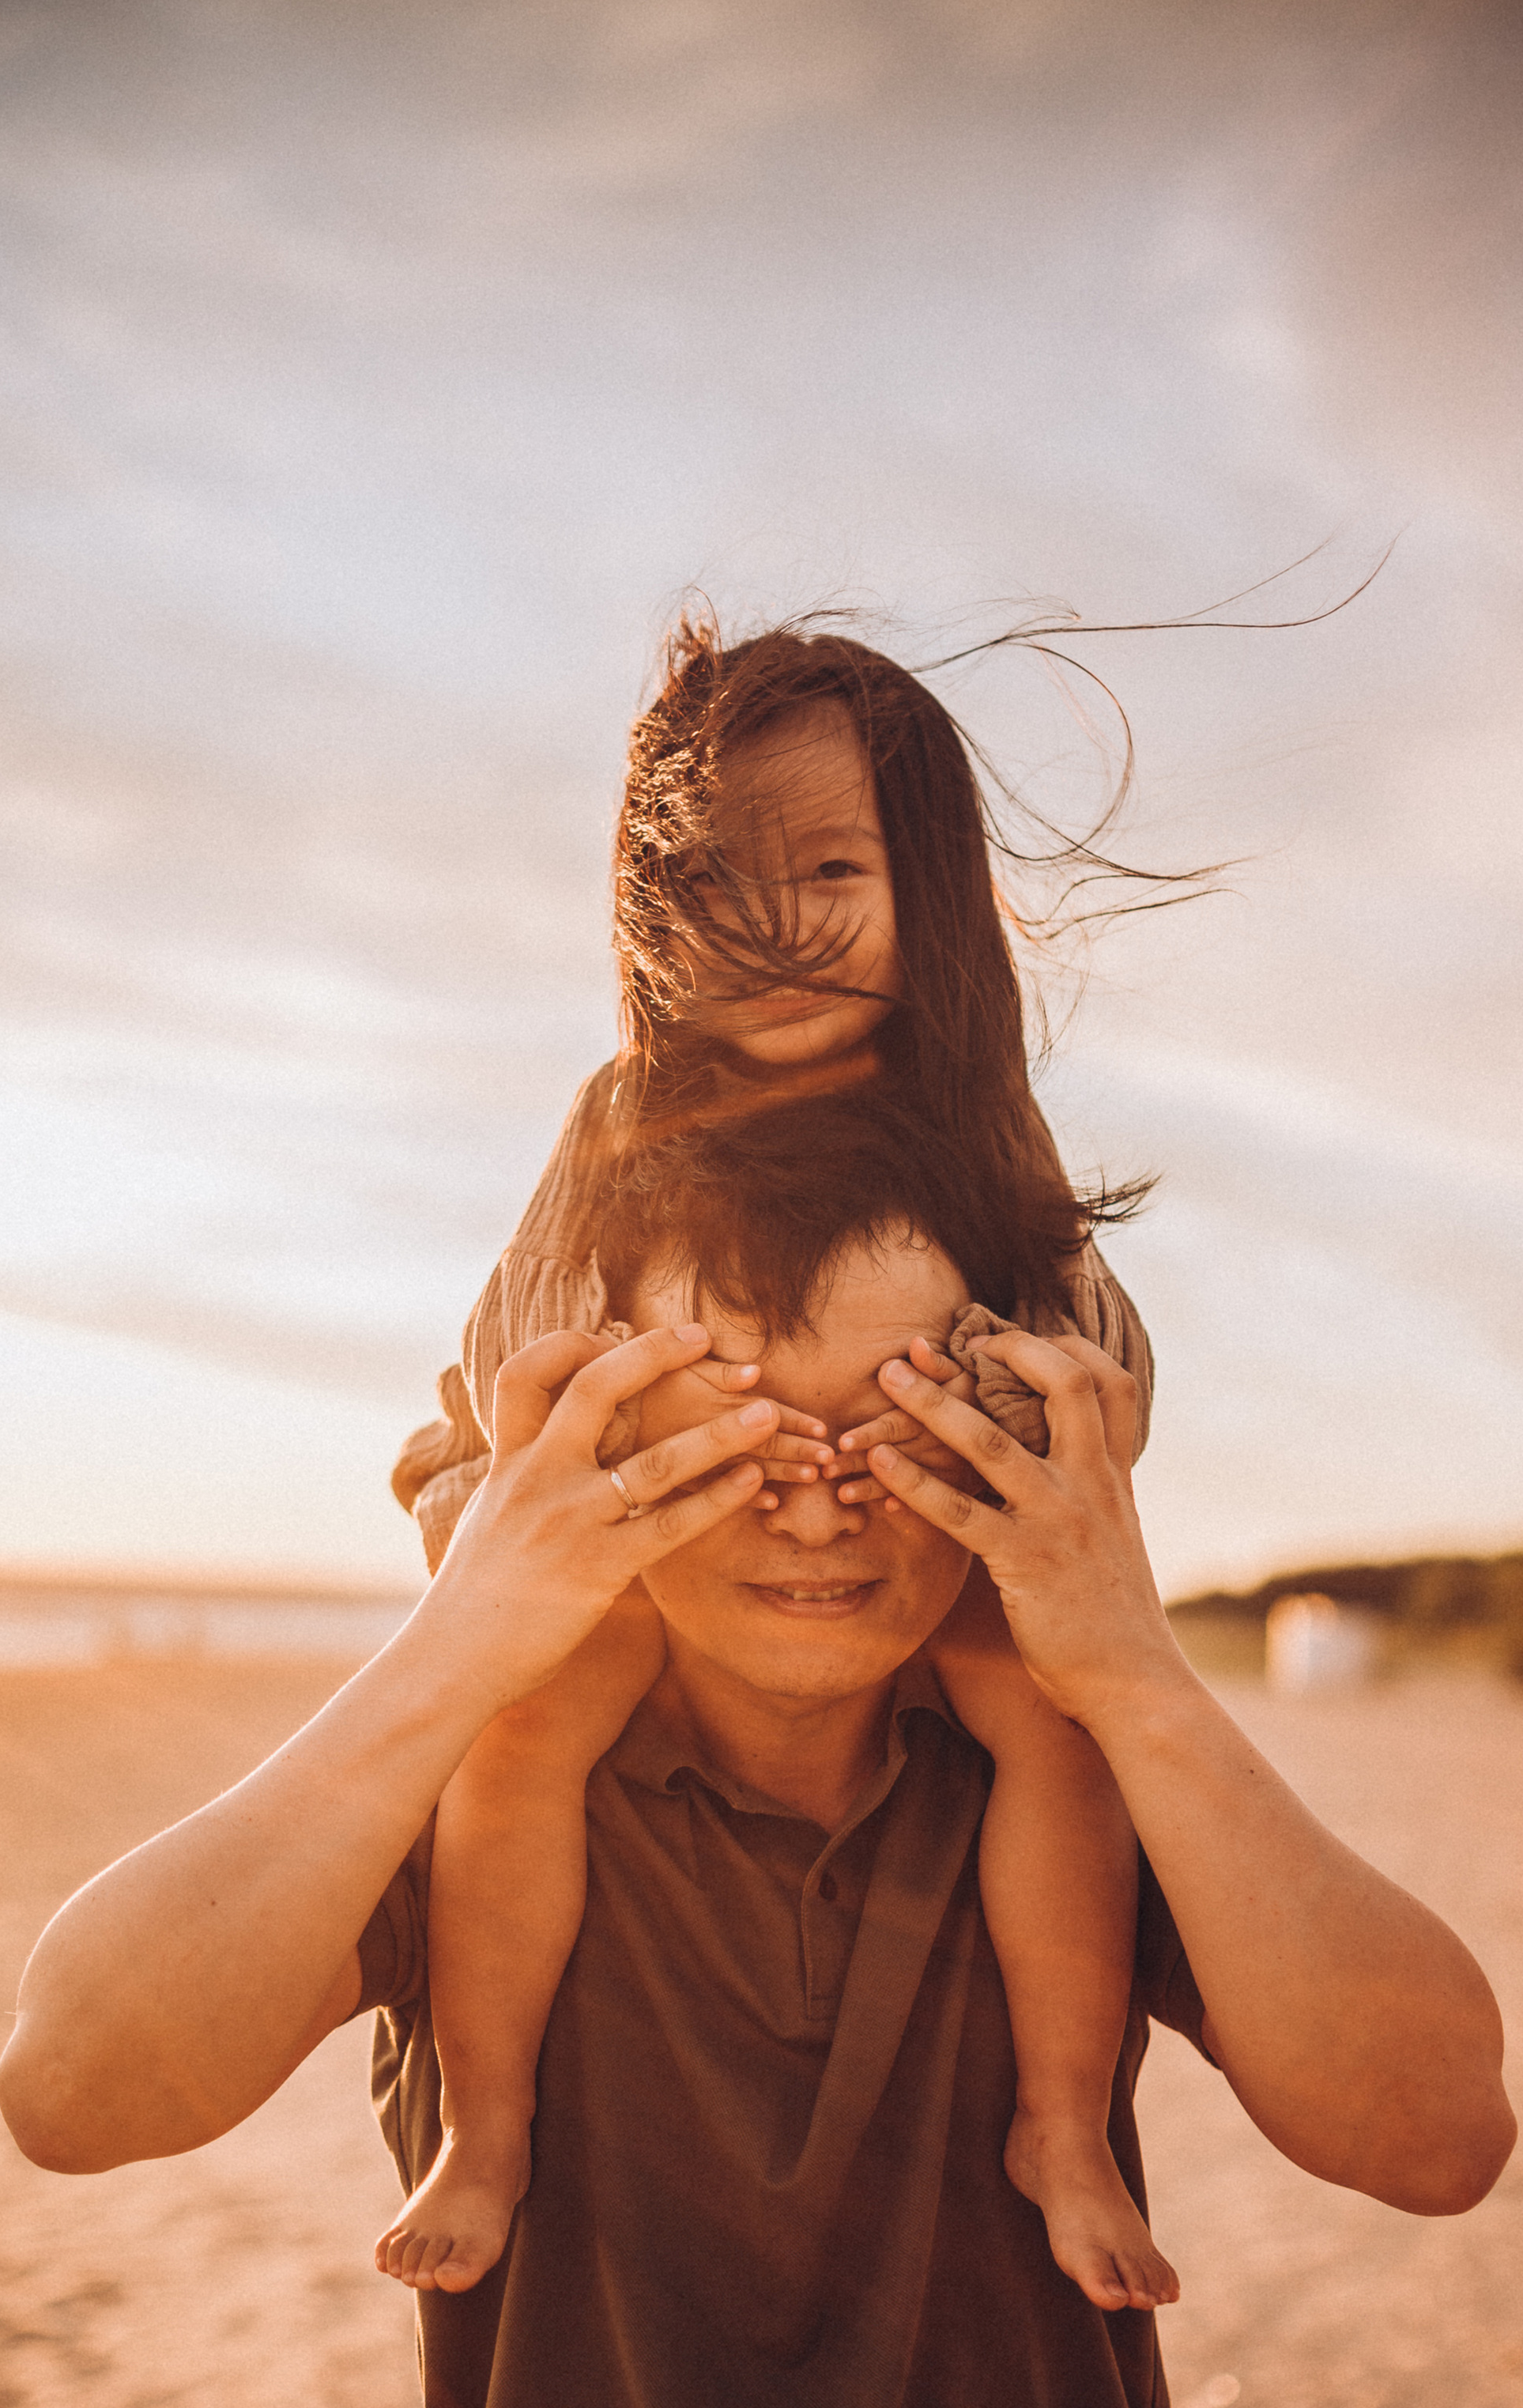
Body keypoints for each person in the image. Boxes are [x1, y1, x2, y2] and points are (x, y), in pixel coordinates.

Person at [0, 1099, 1514, 2408]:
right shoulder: (488, 1791)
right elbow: (70, 2089)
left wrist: (1127, 1664)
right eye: (735, 1437)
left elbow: (1439, 2129)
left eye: (887, 1435)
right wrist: (465, 1636)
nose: (812, 1511)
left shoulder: (1059, 1774)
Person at [382, 618, 1177, 2316]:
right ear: (641, 922)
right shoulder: (619, 1120)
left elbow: (1084, 1345)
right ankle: (491, 2125)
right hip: (661, 1537)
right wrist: (565, 1523)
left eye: (829, 865)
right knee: (525, 1720)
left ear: (932, 890)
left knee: (1047, 1720)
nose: (770, 923)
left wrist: (954, 1435)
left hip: (904, 1539)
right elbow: (512, 1364)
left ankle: (1061, 2125)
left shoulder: (972, 1118)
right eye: (708, 887)